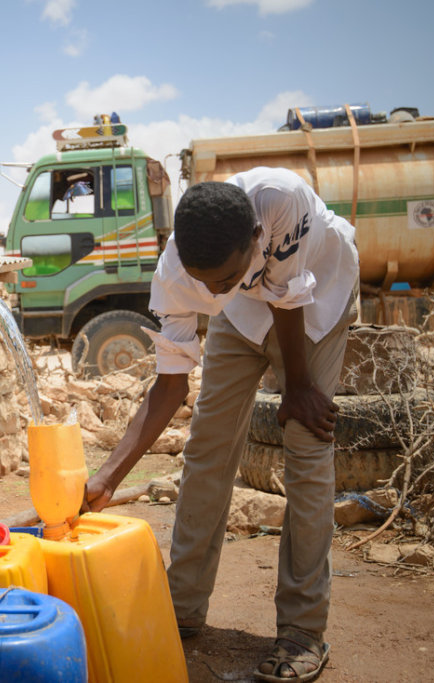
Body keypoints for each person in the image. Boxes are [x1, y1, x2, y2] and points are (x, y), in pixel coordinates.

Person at [85, 167, 359, 682]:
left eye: (223, 278)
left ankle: (302, 630)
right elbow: (170, 388)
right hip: (248, 306)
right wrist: (107, 477)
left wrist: (297, 387)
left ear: (255, 237)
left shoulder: (282, 200)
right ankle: (182, 605)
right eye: (203, 282)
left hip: (316, 295)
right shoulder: (179, 274)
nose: (211, 289)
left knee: (306, 446)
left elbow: (288, 296)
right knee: (207, 443)